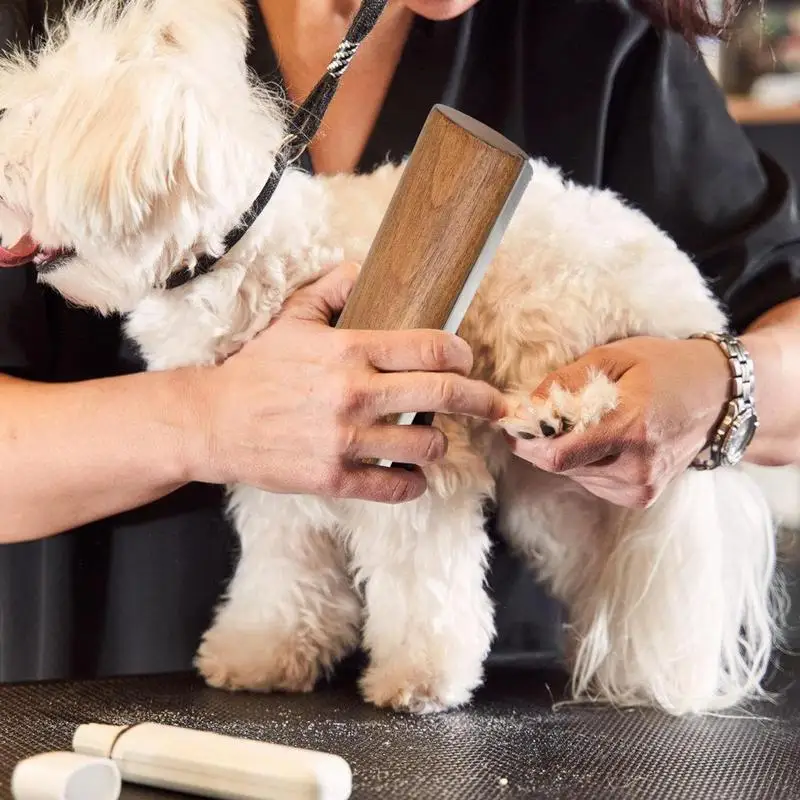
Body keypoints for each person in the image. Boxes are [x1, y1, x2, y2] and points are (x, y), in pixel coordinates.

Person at [0, 0, 798, 683]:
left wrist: (721, 387)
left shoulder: (605, 34)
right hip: (107, 706)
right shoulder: (65, 35)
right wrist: (207, 422)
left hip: (516, 723)